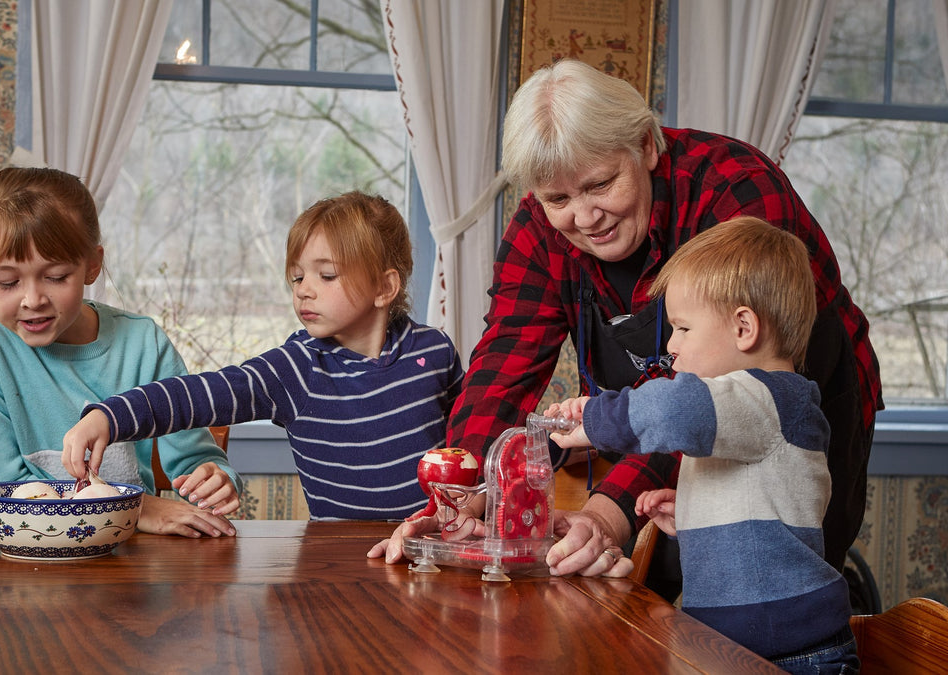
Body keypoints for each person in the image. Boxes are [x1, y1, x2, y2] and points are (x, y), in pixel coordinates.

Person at [369, 59, 881, 590]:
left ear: (645, 145)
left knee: (776, 582)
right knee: (648, 590)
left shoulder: (737, 191)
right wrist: (460, 500)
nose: (586, 218)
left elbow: (715, 394)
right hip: (665, 419)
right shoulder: (539, 228)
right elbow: (502, 368)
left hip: (792, 415)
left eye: (600, 184)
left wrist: (606, 511)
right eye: (559, 199)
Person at [549, 217, 858, 672]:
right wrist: (698, 509)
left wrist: (595, 420)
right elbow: (767, 506)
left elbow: (675, 410)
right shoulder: (749, 412)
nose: (671, 345)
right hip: (726, 649)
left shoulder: (772, 397)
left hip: (792, 655)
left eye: (684, 328)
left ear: (743, 328)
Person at [62, 191, 464, 520]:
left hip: (429, 554)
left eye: (326, 276)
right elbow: (199, 395)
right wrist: (108, 416)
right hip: (335, 565)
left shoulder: (436, 352)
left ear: (384, 287)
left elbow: (475, 443)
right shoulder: (296, 367)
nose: (304, 289)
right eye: (297, 276)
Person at [0, 167, 241, 538]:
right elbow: (6, 492)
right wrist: (138, 509)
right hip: (26, 563)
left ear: (92, 265)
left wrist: (215, 478)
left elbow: (195, 457)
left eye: (55, 277)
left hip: (132, 564)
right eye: (8, 282)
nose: (33, 300)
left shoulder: (142, 343)